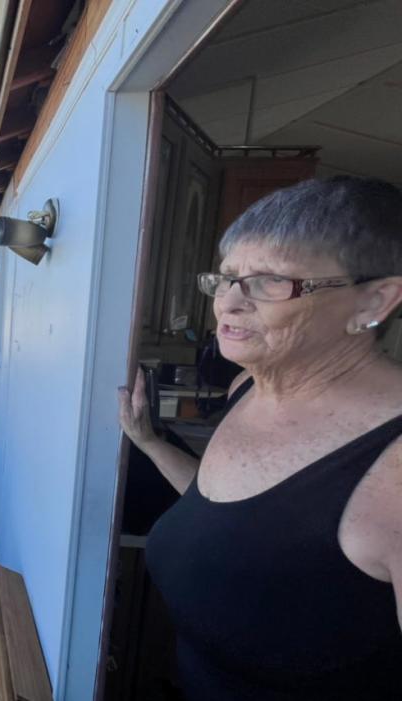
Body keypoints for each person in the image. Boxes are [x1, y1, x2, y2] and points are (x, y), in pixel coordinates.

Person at [118, 176, 402, 700]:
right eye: (226, 278)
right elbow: (228, 516)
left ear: (373, 301)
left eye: (270, 281)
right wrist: (152, 443)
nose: (227, 304)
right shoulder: (248, 386)